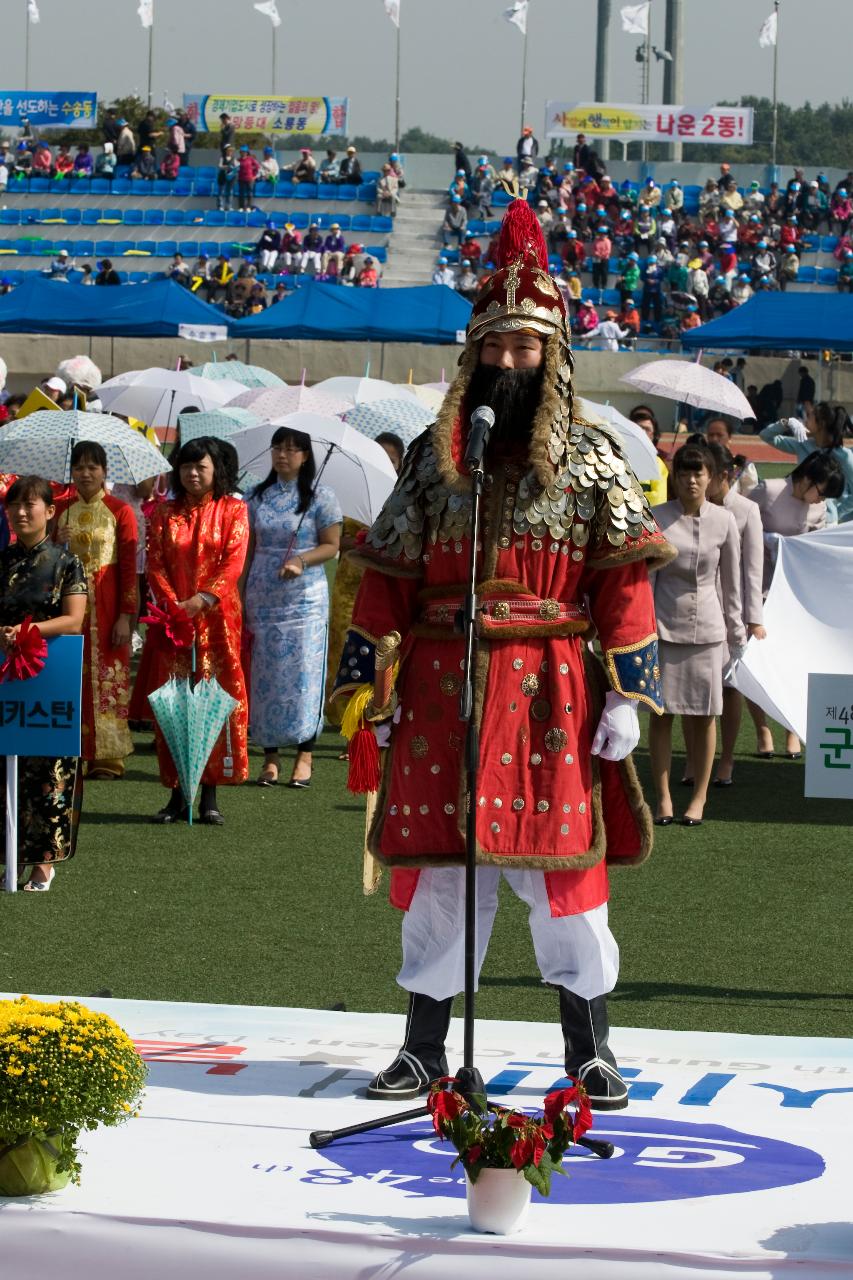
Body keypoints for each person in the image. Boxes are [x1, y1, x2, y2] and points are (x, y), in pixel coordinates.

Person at [330, 195, 674, 1110]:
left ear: (552, 354)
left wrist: (623, 700)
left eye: (526, 347)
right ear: (472, 353)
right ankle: (422, 1048)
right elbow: (388, 577)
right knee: (441, 871)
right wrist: (374, 683)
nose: (509, 362)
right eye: (495, 346)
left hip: (553, 685)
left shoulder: (595, 456)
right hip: (446, 680)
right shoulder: (435, 461)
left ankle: (589, 1051)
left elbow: (623, 583)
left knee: (560, 872)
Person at [142, 438, 249, 825]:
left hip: (218, 621)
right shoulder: (163, 513)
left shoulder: (233, 510)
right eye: (186, 467)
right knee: (175, 702)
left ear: (215, 470)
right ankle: (175, 793)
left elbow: (234, 561)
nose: (192, 473)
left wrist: (203, 599)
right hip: (173, 624)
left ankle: (209, 794)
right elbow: (154, 564)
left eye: (200, 467)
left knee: (213, 701)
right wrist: (175, 606)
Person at [650, 443, 745, 828]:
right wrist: (641, 629)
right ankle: (663, 798)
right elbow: (646, 579)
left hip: (708, 631)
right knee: (661, 714)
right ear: (675, 476)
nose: (691, 480)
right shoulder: (656, 517)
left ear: (711, 478)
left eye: (699, 473)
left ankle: (700, 797)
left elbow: (732, 584)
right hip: (661, 627)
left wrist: (737, 635)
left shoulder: (725, 521)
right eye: (685, 472)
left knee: (706, 715)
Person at [0, 475, 87, 890]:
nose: (20, 513)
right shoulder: (0, 561)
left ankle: (43, 862)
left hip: (51, 673)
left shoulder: (67, 563)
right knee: (4, 765)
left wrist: (29, 630)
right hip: (5, 673)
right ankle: (10, 859)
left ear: (50, 511)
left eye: (29, 505)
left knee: (47, 767)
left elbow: (74, 619)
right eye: (13, 505)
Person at [242, 427, 342, 789]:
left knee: (303, 675)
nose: (283, 455)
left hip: (305, 600)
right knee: (265, 674)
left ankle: (305, 754)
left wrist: (301, 559)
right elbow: (249, 550)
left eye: (292, 449)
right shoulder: (256, 497)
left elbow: (331, 546)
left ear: (305, 455)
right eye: (278, 448)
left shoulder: (321, 497)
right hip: (262, 595)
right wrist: (240, 594)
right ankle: (270, 756)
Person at [745, 452, 844, 760]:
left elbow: (818, 544)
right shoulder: (769, 490)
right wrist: (766, 538)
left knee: (793, 660)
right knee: (754, 659)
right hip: (759, 586)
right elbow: (738, 522)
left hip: (794, 592)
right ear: (807, 479)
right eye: (822, 490)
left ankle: (790, 730)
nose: (822, 499)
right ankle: (762, 728)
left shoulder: (819, 507)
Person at [53, 443, 138, 780]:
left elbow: (130, 568)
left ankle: (108, 758)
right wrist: (56, 540)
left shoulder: (121, 511)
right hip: (68, 604)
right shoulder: (58, 509)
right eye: (79, 467)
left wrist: (125, 616)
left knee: (109, 679)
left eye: (93, 467)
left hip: (107, 603)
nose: (85, 473)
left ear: (105, 471)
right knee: (69, 674)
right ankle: (70, 751)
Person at [703, 443, 766, 787]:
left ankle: (726, 758)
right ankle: (699, 759)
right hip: (698, 609)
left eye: (707, 474)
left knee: (729, 689)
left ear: (724, 475)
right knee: (697, 689)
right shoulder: (692, 509)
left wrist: (752, 620)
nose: (698, 481)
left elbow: (752, 571)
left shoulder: (747, 510)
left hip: (732, 613)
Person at [760, 402, 853, 524]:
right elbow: (766, 436)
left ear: (821, 424)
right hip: (798, 513)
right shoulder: (803, 443)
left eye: (810, 416)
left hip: (825, 521)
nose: (805, 420)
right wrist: (786, 423)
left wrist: (837, 512)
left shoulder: (844, 456)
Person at [704, 417, 758, 495]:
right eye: (711, 435)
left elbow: (751, 497)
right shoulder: (701, 463)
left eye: (719, 435)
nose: (714, 439)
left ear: (729, 437)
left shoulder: (742, 466)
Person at [629, 405, 669, 506]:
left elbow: (658, 499)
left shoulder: (657, 462)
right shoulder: (617, 457)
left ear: (653, 435)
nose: (642, 432)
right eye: (638, 428)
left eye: (647, 429)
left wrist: (628, 497)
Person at [237, 145, 260, 212]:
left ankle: (249, 207)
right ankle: (241, 207)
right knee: (241, 193)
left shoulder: (251, 159)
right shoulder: (238, 160)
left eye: (244, 152)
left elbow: (257, 167)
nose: (242, 153)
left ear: (247, 152)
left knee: (249, 193)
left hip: (249, 179)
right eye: (241, 152)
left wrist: (254, 176)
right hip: (241, 179)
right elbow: (235, 169)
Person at [217, 145, 238, 211]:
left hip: (230, 177)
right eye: (229, 150)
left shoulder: (234, 158)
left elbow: (236, 166)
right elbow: (219, 166)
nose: (230, 152)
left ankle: (228, 206)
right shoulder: (222, 158)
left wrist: (233, 169)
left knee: (230, 191)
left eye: (231, 150)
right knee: (221, 191)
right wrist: (226, 167)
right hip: (223, 176)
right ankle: (220, 206)